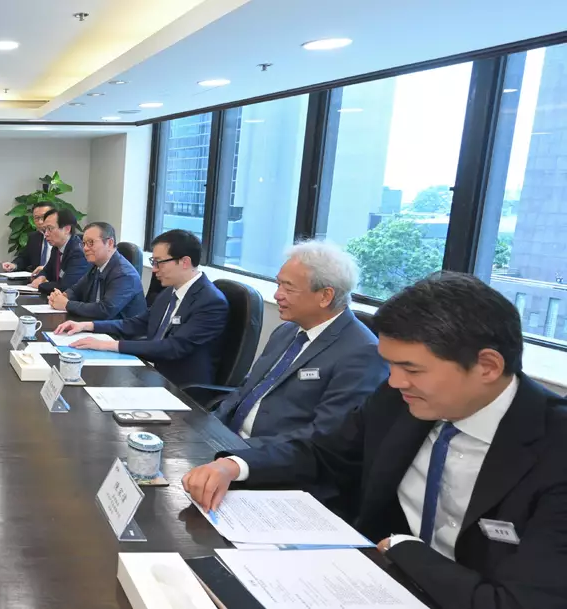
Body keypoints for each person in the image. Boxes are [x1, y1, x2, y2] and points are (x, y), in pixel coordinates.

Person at [182, 272, 567, 609]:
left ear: (488, 366)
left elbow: (520, 602)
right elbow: (324, 451)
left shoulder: (555, 449)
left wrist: (404, 549)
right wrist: (235, 465)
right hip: (368, 581)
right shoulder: (400, 399)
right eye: (392, 365)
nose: (395, 381)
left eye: (411, 368)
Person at [213, 241, 387, 448]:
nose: (277, 295)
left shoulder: (362, 353)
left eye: (288, 288)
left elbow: (324, 435)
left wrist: (240, 456)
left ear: (325, 296)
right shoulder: (287, 331)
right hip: (226, 441)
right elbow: (246, 389)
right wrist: (207, 426)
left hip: (269, 456)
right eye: (278, 284)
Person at [54, 229, 227, 384]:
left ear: (185, 262)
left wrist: (107, 345)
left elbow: (173, 347)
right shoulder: (170, 291)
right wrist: (88, 326)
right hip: (151, 371)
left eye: (159, 262)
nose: (154, 269)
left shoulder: (210, 302)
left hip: (179, 386)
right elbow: (138, 323)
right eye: (153, 261)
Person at [45, 221, 147, 320]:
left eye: (91, 243)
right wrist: (61, 296)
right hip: (97, 324)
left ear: (110, 243)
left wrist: (67, 304)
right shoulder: (96, 265)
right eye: (84, 243)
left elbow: (105, 310)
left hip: (119, 329)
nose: (85, 248)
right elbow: (76, 290)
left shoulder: (125, 274)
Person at [28, 208, 87, 295]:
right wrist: (41, 277)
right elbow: (46, 270)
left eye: (50, 229)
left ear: (67, 229)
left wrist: (40, 285)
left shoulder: (78, 253)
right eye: (45, 229)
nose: (46, 234)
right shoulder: (56, 248)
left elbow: (65, 286)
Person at [2, 201, 56, 273]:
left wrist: (46, 270)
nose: (40, 222)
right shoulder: (34, 237)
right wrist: (14, 265)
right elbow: (24, 258)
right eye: (37, 218)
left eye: (44, 217)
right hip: (35, 277)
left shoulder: (62, 238)